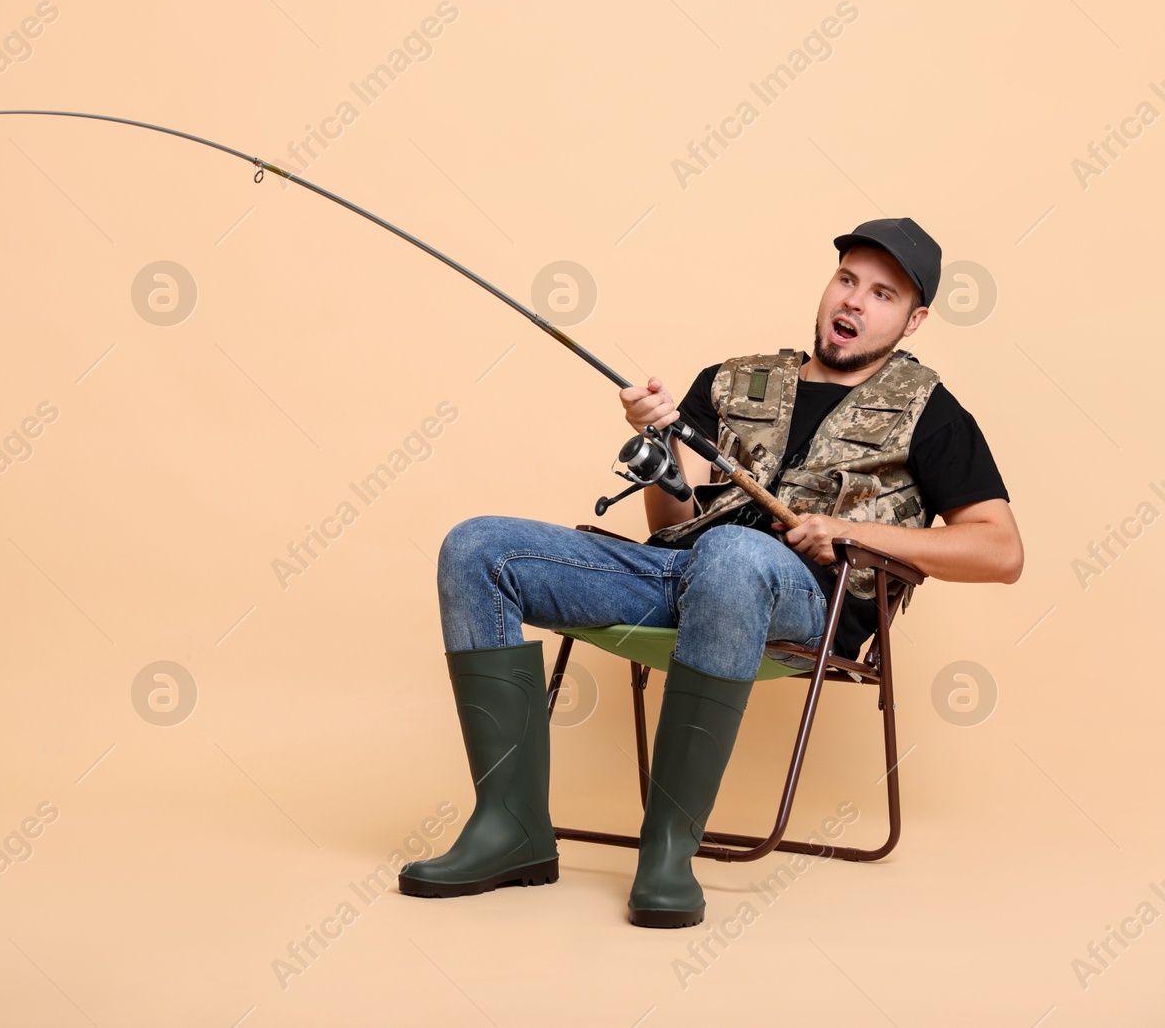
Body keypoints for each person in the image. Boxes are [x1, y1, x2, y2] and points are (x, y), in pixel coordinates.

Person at [397, 218, 1022, 927]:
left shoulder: (930, 413)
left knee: (735, 554)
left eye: (882, 294)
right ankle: (509, 827)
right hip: (683, 573)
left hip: (807, 604)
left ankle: (667, 848)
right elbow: (668, 521)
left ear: (913, 321)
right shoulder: (733, 380)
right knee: (477, 547)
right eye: (847, 279)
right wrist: (658, 440)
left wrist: (847, 530)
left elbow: (1000, 550)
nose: (854, 302)